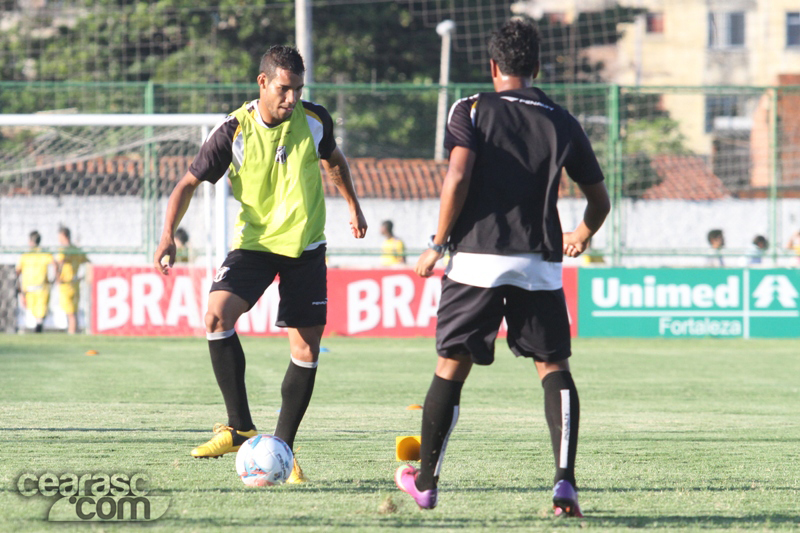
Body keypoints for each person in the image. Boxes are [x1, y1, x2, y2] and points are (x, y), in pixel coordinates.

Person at [393, 19, 609, 517]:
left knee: (451, 368)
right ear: (535, 68)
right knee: (553, 367)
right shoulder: (561, 119)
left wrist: (437, 243)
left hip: (475, 260)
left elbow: (458, 176)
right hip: (539, 262)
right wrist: (581, 234)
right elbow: (599, 199)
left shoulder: (470, 107)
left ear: (493, 67)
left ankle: (426, 482)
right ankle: (564, 485)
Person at [153, 45, 368, 481]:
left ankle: (282, 450)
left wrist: (353, 206)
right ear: (263, 83)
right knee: (216, 316)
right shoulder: (232, 131)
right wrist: (167, 235)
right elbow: (186, 183)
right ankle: (240, 427)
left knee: (305, 350)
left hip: (306, 248)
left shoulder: (314, 119)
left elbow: (335, 161)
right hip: (253, 245)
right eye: (285, 90)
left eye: (299, 90)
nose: (292, 99)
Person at [54, 226, 89, 334]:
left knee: (70, 313)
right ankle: (76, 331)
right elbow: (87, 262)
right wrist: (83, 276)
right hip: (75, 283)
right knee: (74, 311)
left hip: (66, 283)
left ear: (64, 236)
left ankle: (72, 333)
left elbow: (59, 263)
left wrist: (57, 278)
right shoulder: (76, 250)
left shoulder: (64, 250)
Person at [16, 230, 53, 333]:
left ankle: (37, 327)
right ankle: (38, 326)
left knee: (38, 311)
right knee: (36, 311)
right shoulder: (42, 253)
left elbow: (17, 271)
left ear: (31, 241)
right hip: (36, 287)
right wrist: (54, 279)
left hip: (32, 287)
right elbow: (54, 264)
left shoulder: (27, 255)